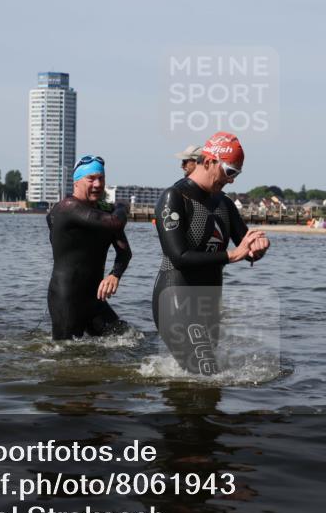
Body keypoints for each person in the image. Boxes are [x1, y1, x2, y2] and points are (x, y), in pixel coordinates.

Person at [153, 132, 270, 375]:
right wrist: (231, 256)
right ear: (208, 162)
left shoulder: (224, 203)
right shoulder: (174, 197)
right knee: (205, 373)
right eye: (229, 171)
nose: (232, 180)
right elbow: (178, 256)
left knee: (207, 382)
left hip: (209, 302)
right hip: (176, 297)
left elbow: (245, 248)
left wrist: (258, 248)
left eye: (236, 174)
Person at [47, 155, 132, 340]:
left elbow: (125, 253)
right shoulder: (67, 207)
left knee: (128, 339)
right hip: (67, 298)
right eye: (91, 178)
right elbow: (116, 222)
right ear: (76, 182)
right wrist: (122, 207)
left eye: (101, 178)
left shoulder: (103, 213)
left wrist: (115, 274)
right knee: (64, 357)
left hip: (94, 300)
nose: (97, 184)